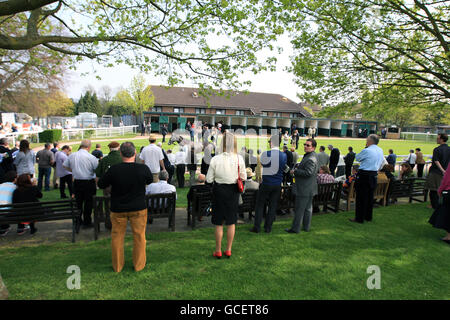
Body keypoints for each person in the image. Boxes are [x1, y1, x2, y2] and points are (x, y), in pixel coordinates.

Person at [97, 142, 153, 273]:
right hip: (138, 207)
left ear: (121, 154)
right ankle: (139, 265)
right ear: (135, 154)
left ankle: (117, 266)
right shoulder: (142, 169)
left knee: (117, 237)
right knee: (139, 236)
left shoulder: (114, 170)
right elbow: (149, 180)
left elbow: (101, 183)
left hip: (118, 208)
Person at [206, 131, 246, 258]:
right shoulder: (239, 158)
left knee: (218, 223)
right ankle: (228, 249)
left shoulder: (215, 159)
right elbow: (244, 176)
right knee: (231, 222)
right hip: (233, 192)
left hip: (219, 191)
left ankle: (218, 250)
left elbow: (208, 179)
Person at [250, 134, 286, 234]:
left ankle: (257, 227)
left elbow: (262, 165)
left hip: (266, 183)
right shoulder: (283, 155)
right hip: (277, 184)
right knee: (272, 206)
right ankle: (268, 228)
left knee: (260, 205)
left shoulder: (266, 154)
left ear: (272, 142)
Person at [63, 140, 99, 229]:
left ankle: (78, 220)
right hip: (88, 181)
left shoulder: (72, 155)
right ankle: (87, 221)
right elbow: (96, 169)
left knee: (78, 202)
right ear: (89, 147)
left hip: (77, 182)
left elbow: (64, 165)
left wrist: (73, 171)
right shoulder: (91, 157)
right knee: (88, 203)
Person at [286, 138, 319, 234]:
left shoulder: (311, 158)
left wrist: (295, 171)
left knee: (299, 209)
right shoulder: (312, 156)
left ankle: (295, 229)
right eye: (305, 144)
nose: (305, 146)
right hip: (309, 188)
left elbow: (308, 172)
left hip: (304, 188)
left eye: (308, 145)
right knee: (308, 209)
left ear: (313, 147)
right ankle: (306, 227)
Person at [349, 134, 384, 224]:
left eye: (367, 140)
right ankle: (368, 216)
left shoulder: (367, 150)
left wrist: (365, 148)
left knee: (361, 197)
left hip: (364, 175)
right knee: (369, 197)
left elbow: (357, 158)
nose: (366, 141)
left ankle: (359, 218)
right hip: (373, 174)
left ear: (370, 141)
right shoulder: (380, 150)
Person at [425, 133, 450, 209]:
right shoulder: (449, 149)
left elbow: (436, 161)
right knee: (442, 190)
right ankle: (438, 205)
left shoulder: (437, 149)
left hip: (436, 172)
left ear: (442, 139)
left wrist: (442, 170)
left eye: (438, 138)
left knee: (433, 190)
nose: (437, 140)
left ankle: (434, 206)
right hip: (445, 173)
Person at [0, 171, 18, 237]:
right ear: (15, 179)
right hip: (7, 212)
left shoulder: (0, 185)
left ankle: (4, 227)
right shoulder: (15, 187)